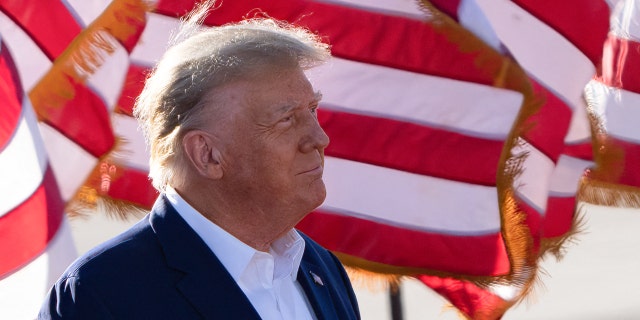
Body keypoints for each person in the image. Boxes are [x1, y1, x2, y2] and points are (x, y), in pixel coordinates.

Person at [39, 2, 360, 319]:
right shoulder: (102, 293)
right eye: (287, 119)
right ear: (206, 154)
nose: (319, 139)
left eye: (312, 110)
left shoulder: (320, 269)